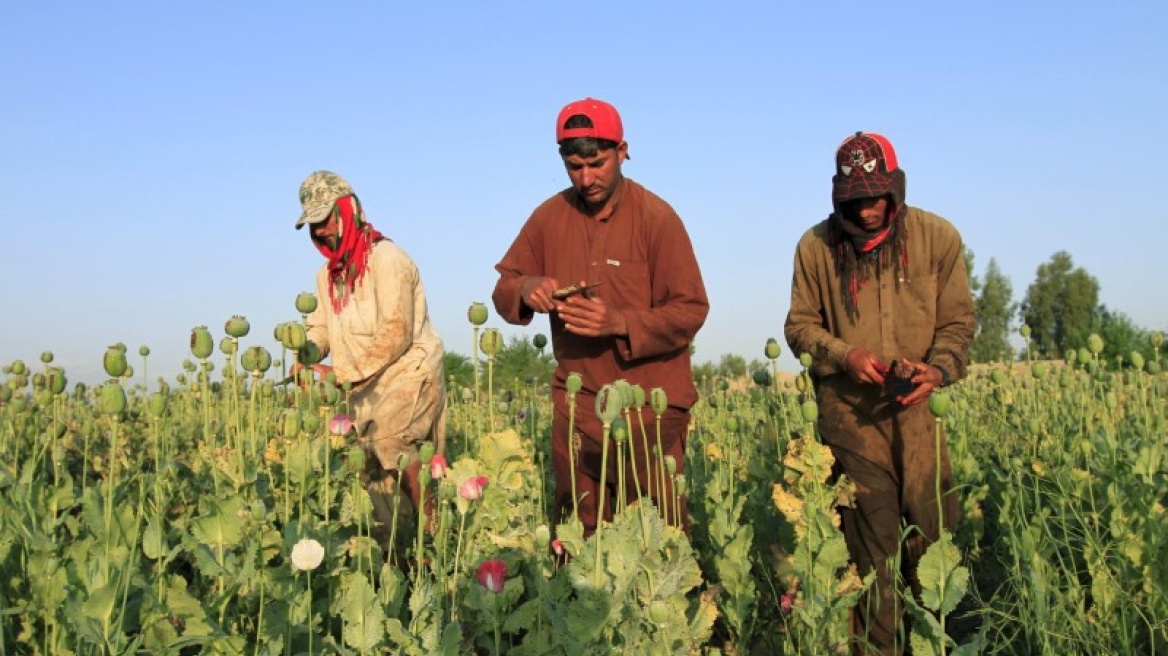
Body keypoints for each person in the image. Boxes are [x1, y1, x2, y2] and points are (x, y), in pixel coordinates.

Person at [784, 132, 976, 655]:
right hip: (852, 421)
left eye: (875, 197)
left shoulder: (938, 238)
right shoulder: (816, 247)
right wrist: (845, 356)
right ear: (837, 197)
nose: (866, 211)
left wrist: (937, 370)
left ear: (895, 190)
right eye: (854, 200)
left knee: (933, 549)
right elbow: (799, 326)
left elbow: (958, 323)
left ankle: (936, 646)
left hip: (920, 421)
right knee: (874, 555)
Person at [492, 98, 709, 535]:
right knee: (578, 537)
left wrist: (620, 323)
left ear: (623, 151)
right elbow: (503, 287)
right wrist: (525, 287)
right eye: (575, 166)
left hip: (648, 410)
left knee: (654, 541)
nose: (586, 178)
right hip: (578, 407)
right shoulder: (549, 218)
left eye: (597, 163)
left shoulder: (657, 219)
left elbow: (691, 309)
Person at [294, 170, 446, 546]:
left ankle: (434, 533)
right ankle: (395, 550)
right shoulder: (326, 277)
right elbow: (321, 328)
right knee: (370, 474)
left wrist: (339, 373)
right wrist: (306, 352)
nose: (320, 231)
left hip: (408, 372)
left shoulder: (387, 259)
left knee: (393, 443)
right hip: (360, 385)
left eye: (325, 220)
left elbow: (395, 334)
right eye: (312, 225)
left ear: (348, 210)